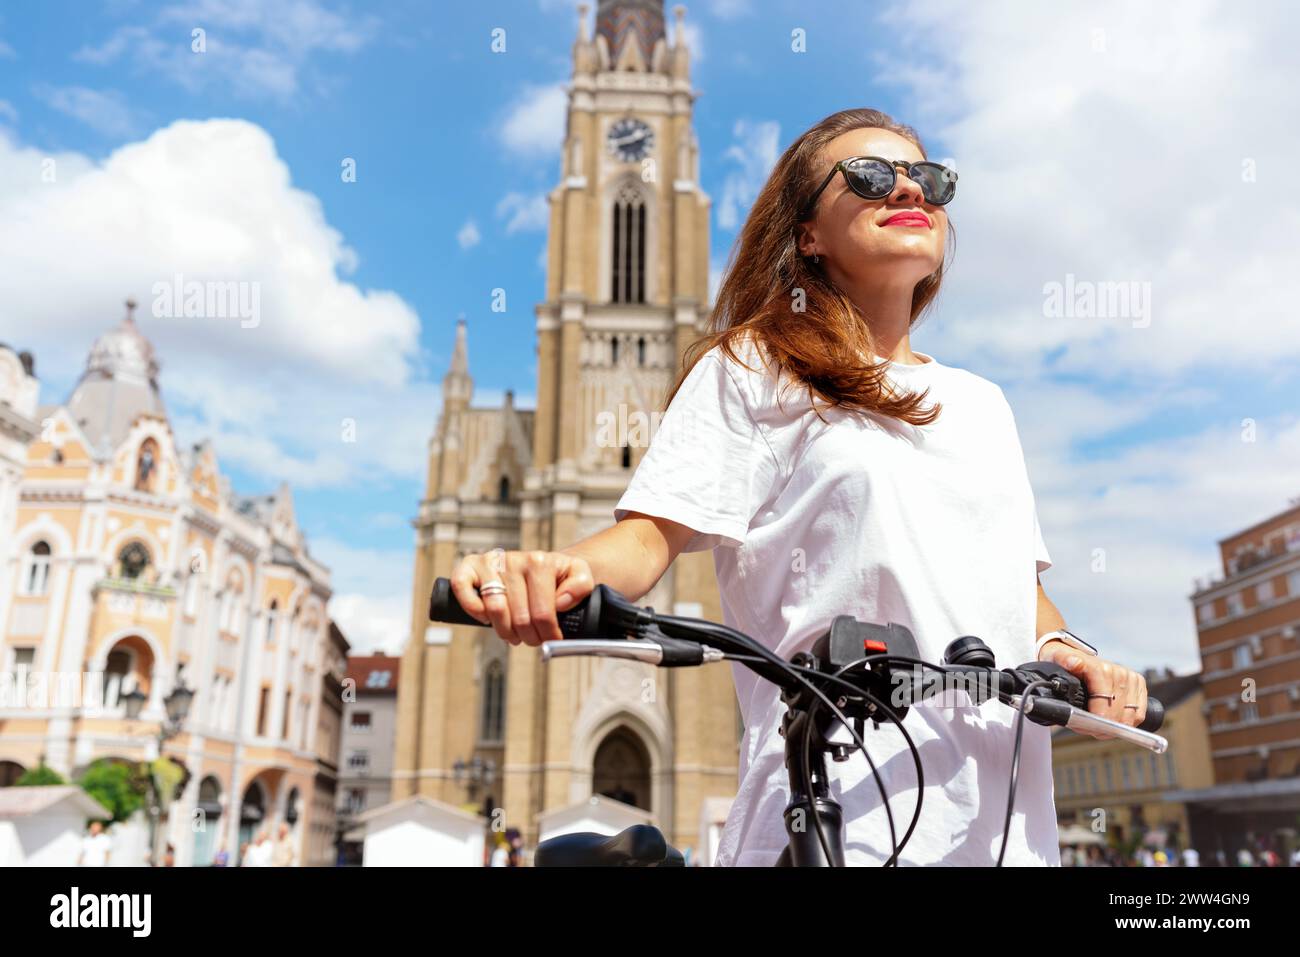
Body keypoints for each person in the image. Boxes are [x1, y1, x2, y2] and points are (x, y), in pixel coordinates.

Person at [449, 108, 1153, 867]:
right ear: (807, 232)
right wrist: (549, 573)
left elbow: (1014, 590)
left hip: (1002, 829)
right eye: (871, 177)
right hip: (837, 814)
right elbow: (648, 539)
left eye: (930, 178)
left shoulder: (983, 403)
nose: (908, 189)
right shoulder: (755, 367)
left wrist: (1072, 650)